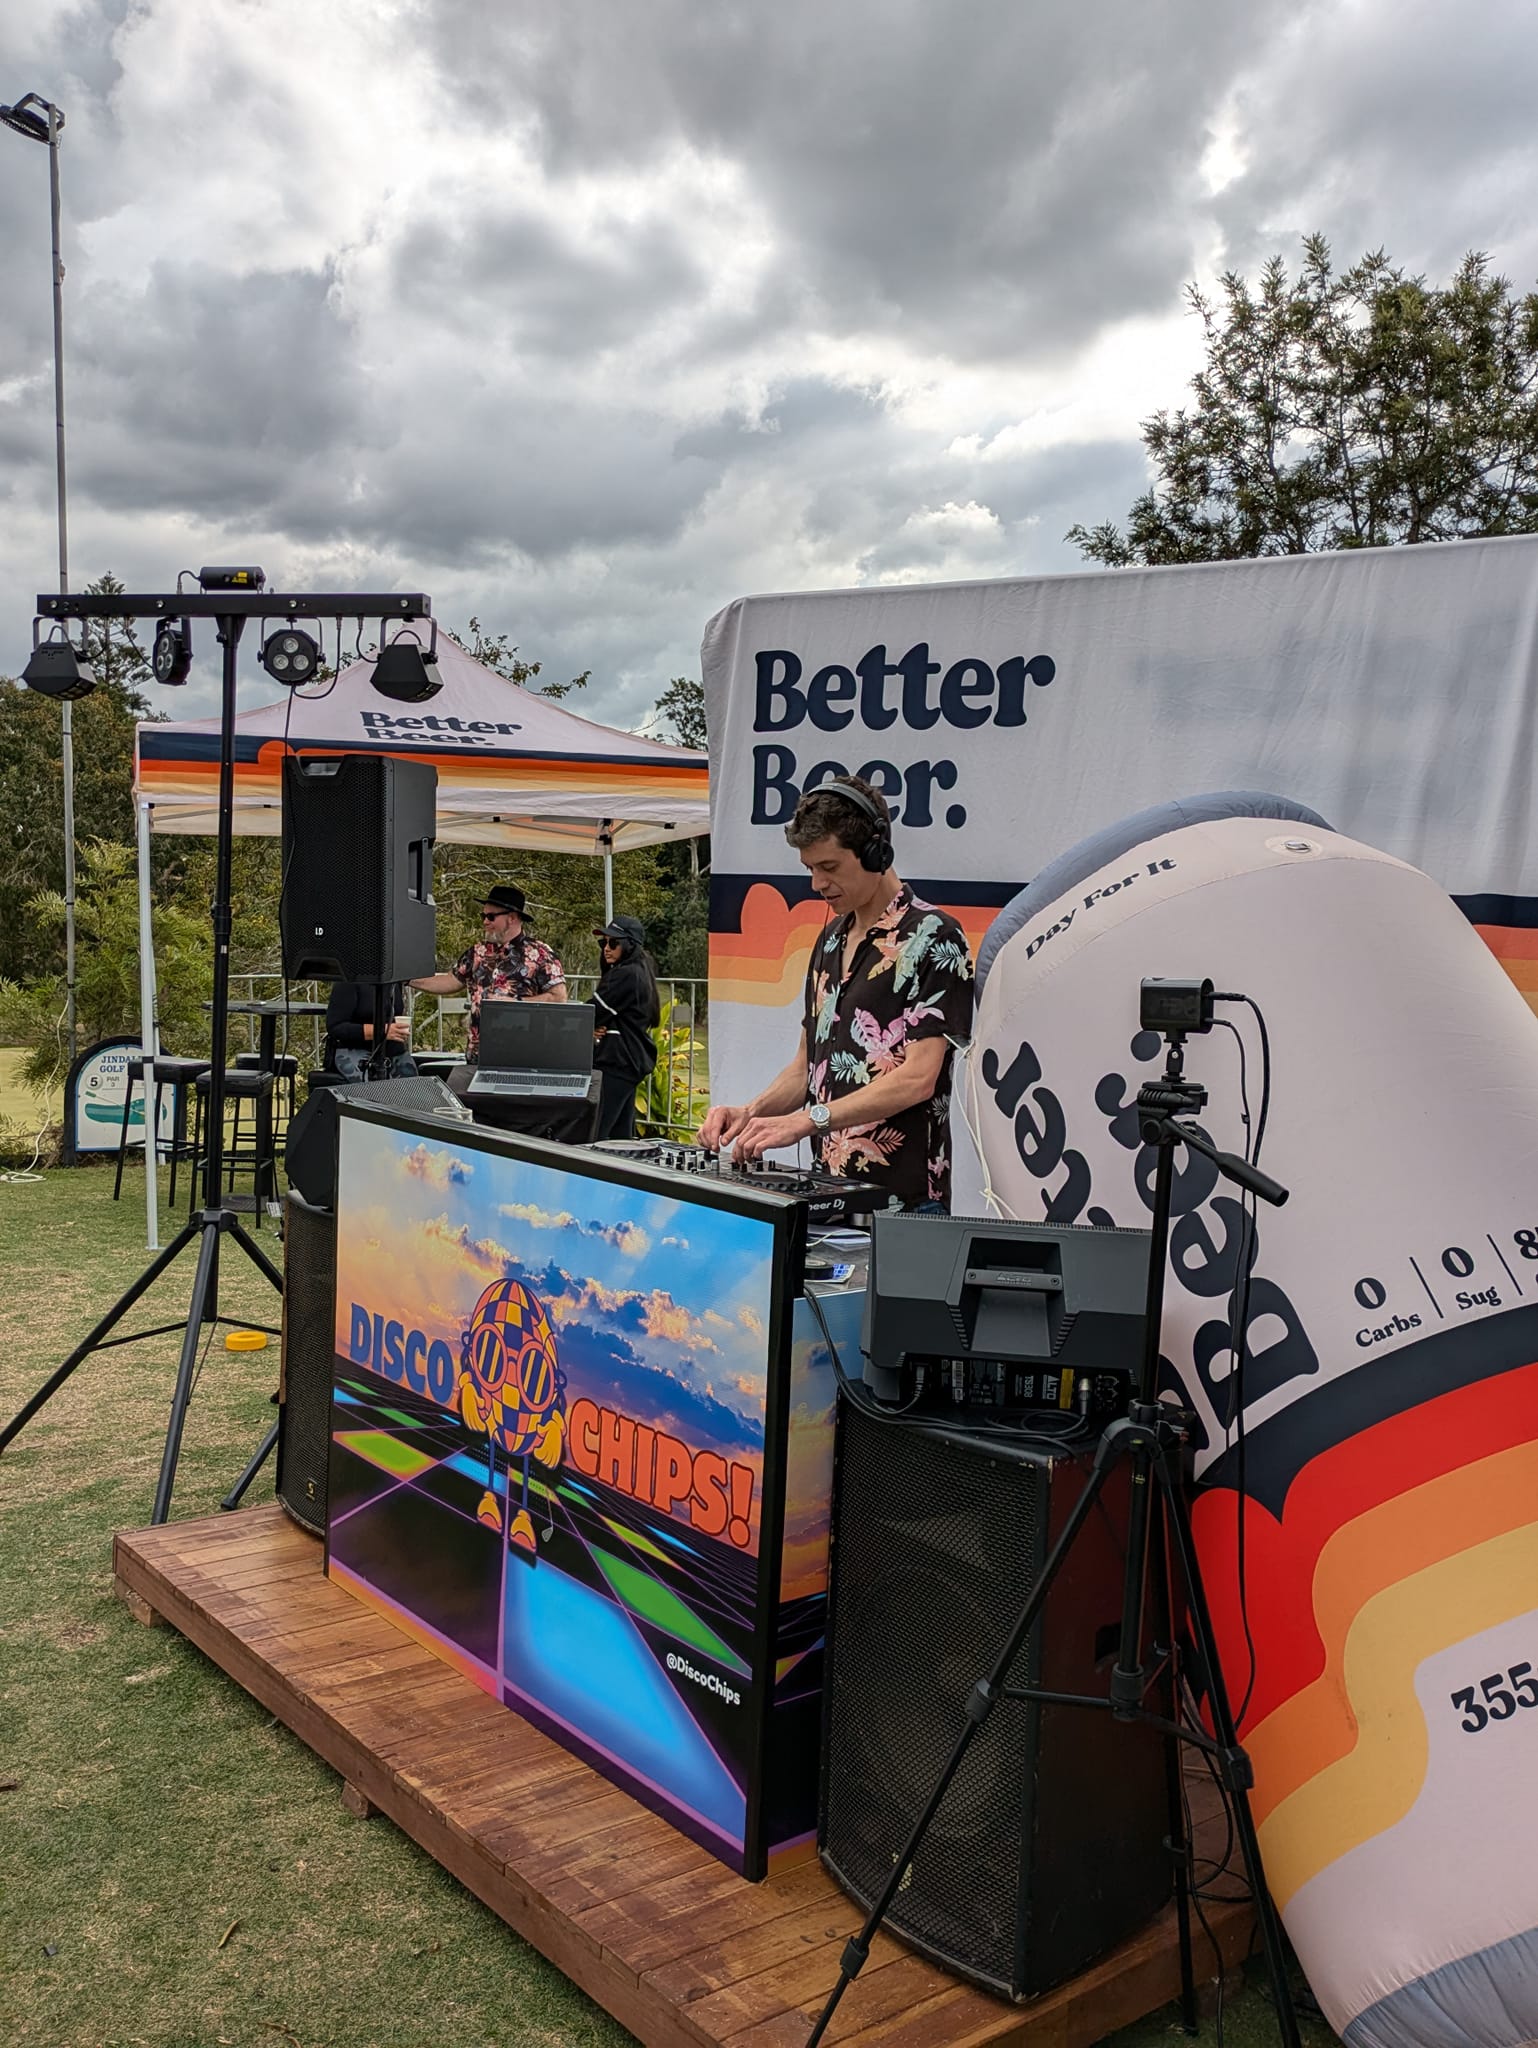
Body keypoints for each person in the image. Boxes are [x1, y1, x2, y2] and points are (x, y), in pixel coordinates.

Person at [698, 776, 974, 1211]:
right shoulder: (829, 941)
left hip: (907, 1203)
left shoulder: (936, 937)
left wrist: (809, 1120)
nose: (817, 883)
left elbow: (919, 1078)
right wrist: (752, 1111)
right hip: (828, 1192)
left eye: (828, 866)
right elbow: (806, 1067)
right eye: (810, 868)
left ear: (875, 853)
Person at [409, 883, 566, 1061]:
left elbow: (559, 997)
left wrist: (516, 1003)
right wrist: (406, 979)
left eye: (491, 917)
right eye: (483, 916)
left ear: (512, 918)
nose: (485, 922)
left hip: (523, 1058)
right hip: (478, 1058)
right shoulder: (477, 952)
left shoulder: (540, 953)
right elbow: (450, 981)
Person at [590, 915, 660, 1141]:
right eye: (603, 943)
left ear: (629, 945)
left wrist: (588, 1026)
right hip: (628, 1062)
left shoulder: (625, 975)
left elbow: (591, 1013)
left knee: (596, 1134)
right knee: (619, 1137)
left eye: (613, 943)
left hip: (618, 1061)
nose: (606, 949)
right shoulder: (639, 972)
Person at [324, 981, 418, 1081]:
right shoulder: (349, 981)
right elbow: (335, 1027)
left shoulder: (393, 981)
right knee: (371, 1089)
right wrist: (381, 1031)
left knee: (414, 1087)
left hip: (393, 1053)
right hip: (355, 1052)